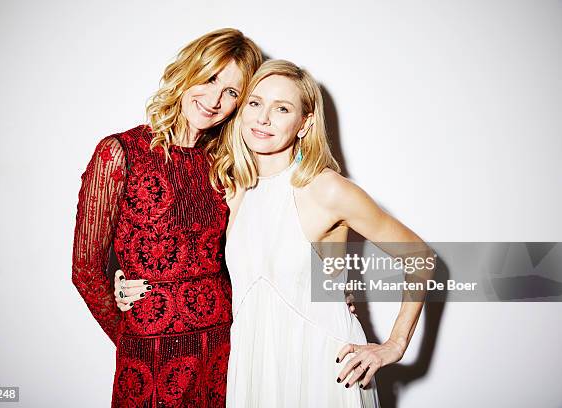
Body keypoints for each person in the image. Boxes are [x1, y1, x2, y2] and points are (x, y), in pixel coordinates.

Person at [212, 59, 435, 407]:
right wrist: (126, 279)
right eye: (255, 103)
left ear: (305, 123)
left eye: (282, 108)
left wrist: (394, 345)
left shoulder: (326, 189)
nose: (263, 117)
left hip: (321, 368)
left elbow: (421, 257)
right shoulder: (235, 188)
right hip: (254, 369)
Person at [71, 28, 262, 407]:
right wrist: (132, 334)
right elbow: (86, 269)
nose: (214, 99)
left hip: (224, 350)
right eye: (210, 79)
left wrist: (337, 291)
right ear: (187, 73)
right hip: (149, 359)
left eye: (231, 92)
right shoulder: (119, 152)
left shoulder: (228, 164)